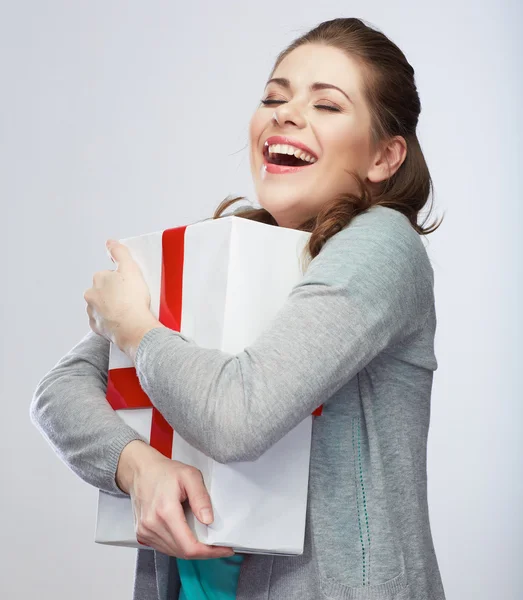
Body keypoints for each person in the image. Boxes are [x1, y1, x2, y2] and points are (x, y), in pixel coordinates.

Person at [30, 16, 447, 600]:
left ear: (384, 157)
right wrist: (135, 465)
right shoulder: (219, 246)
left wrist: (136, 329)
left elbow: (238, 417)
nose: (286, 112)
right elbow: (59, 389)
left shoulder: (381, 244)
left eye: (327, 105)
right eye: (274, 97)